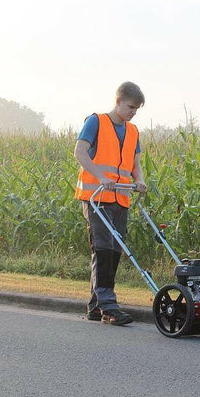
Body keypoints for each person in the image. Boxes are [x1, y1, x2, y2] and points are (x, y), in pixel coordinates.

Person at [74, 81, 147, 326]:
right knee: (104, 248)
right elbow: (80, 153)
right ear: (118, 101)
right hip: (96, 198)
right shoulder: (96, 121)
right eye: (130, 107)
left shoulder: (133, 131)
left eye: (136, 109)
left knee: (113, 251)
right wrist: (101, 177)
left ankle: (96, 306)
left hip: (121, 197)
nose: (133, 112)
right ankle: (109, 307)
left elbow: (135, 164)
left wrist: (140, 180)